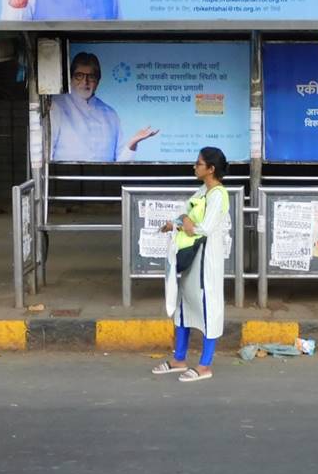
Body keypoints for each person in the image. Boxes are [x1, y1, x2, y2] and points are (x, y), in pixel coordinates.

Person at [152, 147, 231, 383]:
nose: (194, 167)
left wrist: (185, 222)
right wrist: (174, 223)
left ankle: (205, 365)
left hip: (207, 259)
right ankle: (179, 358)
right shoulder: (202, 191)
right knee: (184, 306)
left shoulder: (218, 195)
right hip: (191, 257)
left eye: (198, 164)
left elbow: (203, 226)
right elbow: (185, 215)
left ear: (211, 168)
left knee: (208, 308)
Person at [49, 52, 158, 162]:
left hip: (104, 179)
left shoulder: (110, 114)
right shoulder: (57, 106)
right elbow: (47, 157)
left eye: (91, 76)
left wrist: (133, 143)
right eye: (79, 76)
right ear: (71, 78)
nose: (84, 82)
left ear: (98, 80)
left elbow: (120, 163)